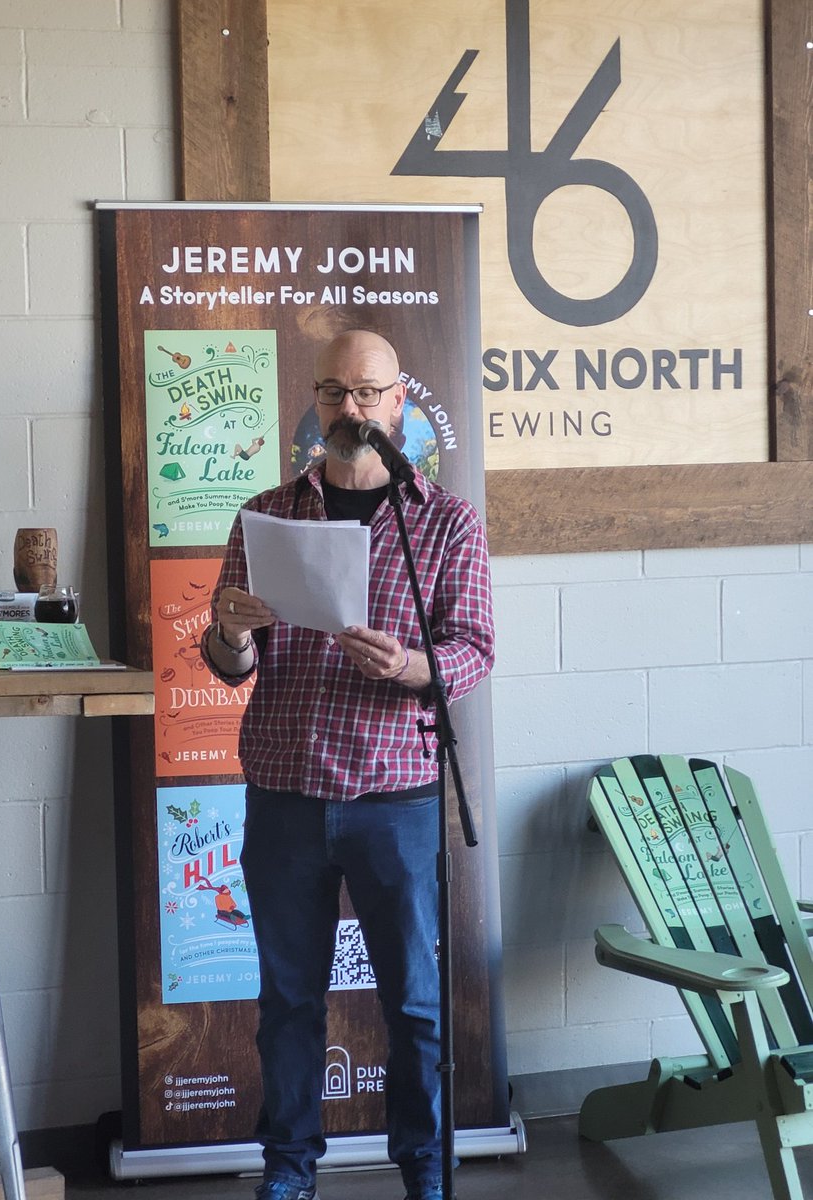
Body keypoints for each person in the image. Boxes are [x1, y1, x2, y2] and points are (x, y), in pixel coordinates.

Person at [202, 329, 495, 1200]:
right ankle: (289, 1171)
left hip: (393, 796)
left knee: (413, 1002)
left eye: (367, 393)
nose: (351, 411)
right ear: (315, 404)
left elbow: (474, 647)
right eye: (334, 393)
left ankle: (425, 1170)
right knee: (289, 1000)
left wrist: (410, 666)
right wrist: (230, 631)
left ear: (398, 399)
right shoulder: (268, 513)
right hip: (285, 794)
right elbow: (229, 664)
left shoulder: (443, 521)